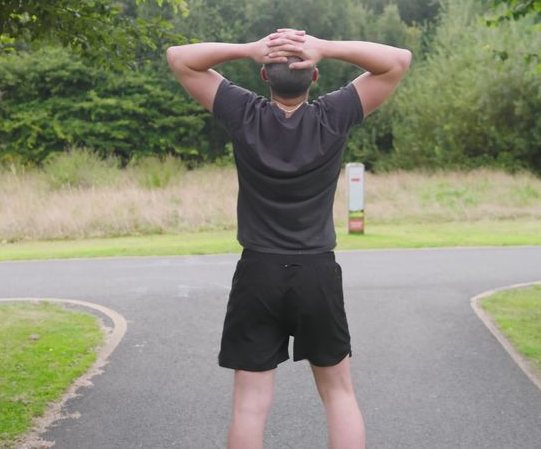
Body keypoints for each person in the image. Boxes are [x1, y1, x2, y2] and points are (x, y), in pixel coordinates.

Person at [166, 29, 411, 449]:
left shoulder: (244, 113)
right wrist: (325, 47)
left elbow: (179, 57)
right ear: (315, 76)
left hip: (258, 270)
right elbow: (398, 60)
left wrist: (247, 48)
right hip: (316, 270)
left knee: (249, 404)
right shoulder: (333, 115)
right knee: (339, 395)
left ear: (263, 75)